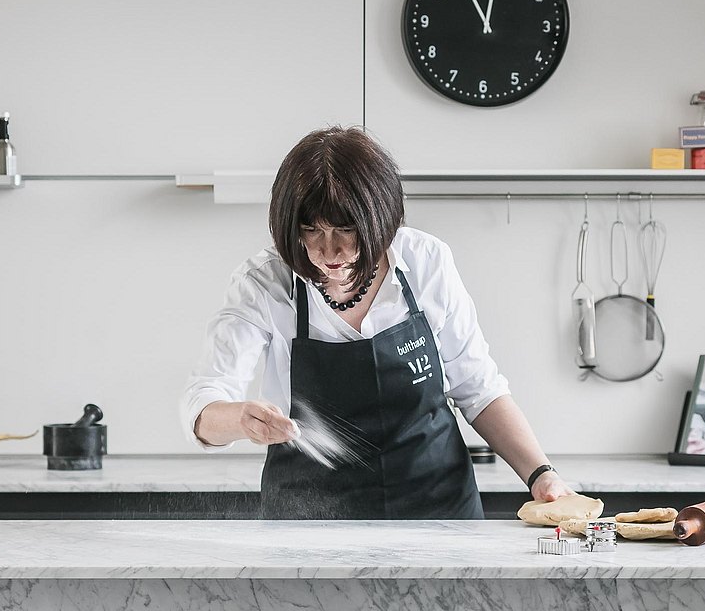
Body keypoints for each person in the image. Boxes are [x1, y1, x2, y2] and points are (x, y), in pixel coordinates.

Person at [181, 126, 574, 519]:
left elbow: (478, 389)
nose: (329, 250)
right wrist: (240, 420)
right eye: (311, 229)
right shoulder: (265, 283)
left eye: (346, 229)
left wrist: (540, 473)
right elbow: (204, 401)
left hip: (438, 512)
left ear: (379, 219)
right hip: (309, 523)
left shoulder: (425, 262)